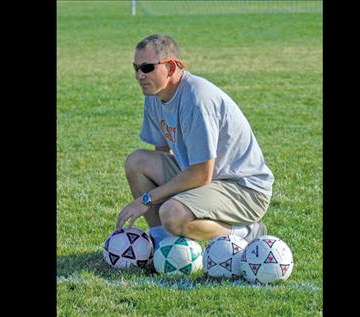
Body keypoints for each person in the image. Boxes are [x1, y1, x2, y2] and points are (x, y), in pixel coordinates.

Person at [116, 34, 274, 248]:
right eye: (136, 68)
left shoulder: (198, 100)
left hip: (244, 189)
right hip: (207, 179)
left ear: (171, 68)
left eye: (147, 68)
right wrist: (162, 197)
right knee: (137, 162)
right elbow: (163, 153)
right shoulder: (154, 96)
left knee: (172, 213)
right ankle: (163, 242)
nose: (139, 76)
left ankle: (245, 233)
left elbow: (202, 173)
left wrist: (148, 199)